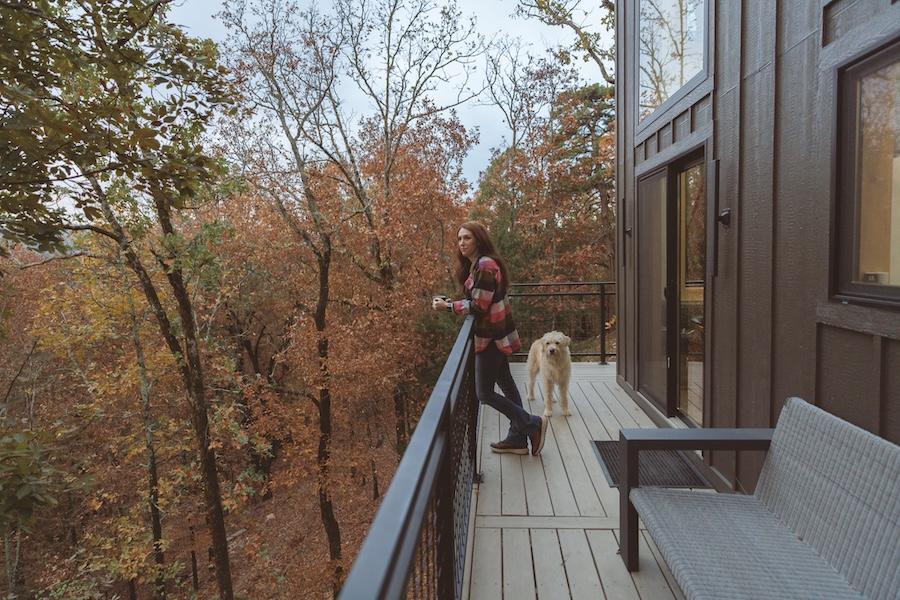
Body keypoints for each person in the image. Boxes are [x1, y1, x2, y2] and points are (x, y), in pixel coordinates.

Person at [432, 221, 548, 456]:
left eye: (467, 238)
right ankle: (517, 439)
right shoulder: (478, 264)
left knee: (484, 393)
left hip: (491, 338)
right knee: (506, 384)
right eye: (459, 239)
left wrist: (448, 307)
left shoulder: (485, 265)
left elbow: (479, 305)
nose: (462, 243)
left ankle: (532, 423)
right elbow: (479, 298)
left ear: (479, 240)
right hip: (496, 335)